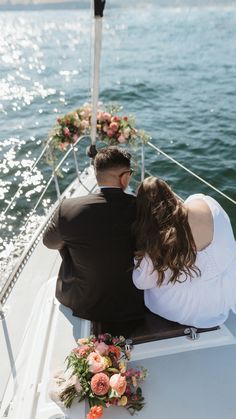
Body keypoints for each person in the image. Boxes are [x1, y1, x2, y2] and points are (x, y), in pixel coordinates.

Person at [43, 146, 145, 323]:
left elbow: (50, 243)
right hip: (135, 298)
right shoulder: (142, 208)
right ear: (125, 177)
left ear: (97, 175)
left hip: (83, 302)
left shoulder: (68, 209)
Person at [132, 176, 236, 328]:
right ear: (171, 194)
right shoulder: (207, 204)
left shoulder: (157, 241)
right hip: (229, 292)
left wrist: (137, 259)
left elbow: (142, 283)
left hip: (189, 309)